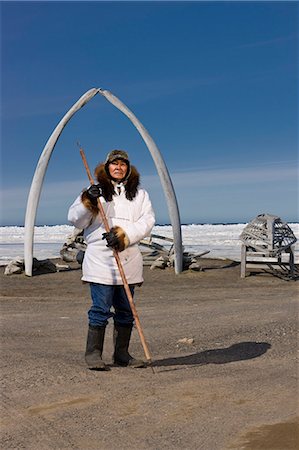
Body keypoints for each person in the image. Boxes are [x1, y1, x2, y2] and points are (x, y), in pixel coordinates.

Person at [68, 150, 155, 370]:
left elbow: (147, 221)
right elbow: (76, 220)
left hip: (128, 258)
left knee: (126, 310)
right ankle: (94, 354)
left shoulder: (140, 194)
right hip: (101, 260)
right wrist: (88, 200)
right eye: (114, 164)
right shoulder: (95, 191)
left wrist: (123, 234)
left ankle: (122, 355)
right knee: (100, 308)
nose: (119, 167)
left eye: (123, 164)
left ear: (128, 167)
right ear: (107, 167)